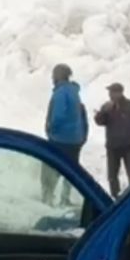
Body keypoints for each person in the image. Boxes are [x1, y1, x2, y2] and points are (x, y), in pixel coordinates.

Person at [43, 63, 89, 206]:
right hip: (76, 139)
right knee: (71, 169)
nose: (52, 78)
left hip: (61, 138)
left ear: (58, 76)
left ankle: (47, 197)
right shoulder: (75, 92)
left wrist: (51, 129)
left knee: (52, 167)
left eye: (53, 74)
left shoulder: (61, 92)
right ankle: (65, 198)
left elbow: (58, 115)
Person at [94, 83, 130, 197]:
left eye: (112, 92)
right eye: (110, 92)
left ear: (120, 93)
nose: (110, 95)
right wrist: (102, 113)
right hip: (113, 147)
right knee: (112, 176)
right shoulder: (107, 107)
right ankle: (115, 197)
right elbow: (99, 122)